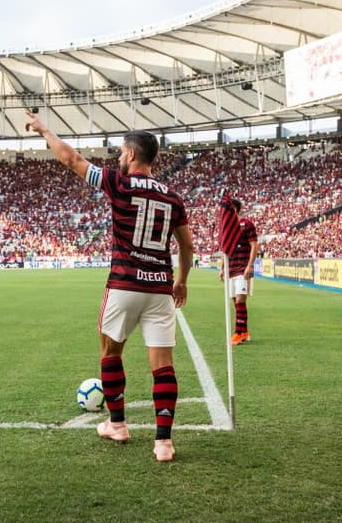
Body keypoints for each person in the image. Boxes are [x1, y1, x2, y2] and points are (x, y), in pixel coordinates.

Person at [25, 111, 194, 462]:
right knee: (163, 364)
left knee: (111, 353)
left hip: (124, 284)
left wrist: (45, 129)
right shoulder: (173, 198)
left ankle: (117, 424)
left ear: (132, 155)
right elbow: (187, 245)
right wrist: (181, 281)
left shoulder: (118, 182)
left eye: (121, 151)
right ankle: (164, 443)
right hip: (160, 287)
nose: (119, 156)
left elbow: (71, 159)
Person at [220, 198, 259, 346]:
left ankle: (238, 333)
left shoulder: (246, 224)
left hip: (243, 268)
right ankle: (244, 331)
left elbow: (254, 245)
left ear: (235, 210)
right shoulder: (227, 228)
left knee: (240, 300)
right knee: (235, 302)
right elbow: (225, 250)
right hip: (231, 269)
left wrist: (250, 265)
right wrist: (222, 268)